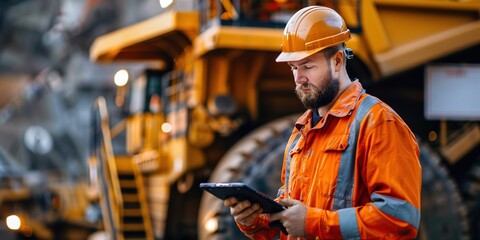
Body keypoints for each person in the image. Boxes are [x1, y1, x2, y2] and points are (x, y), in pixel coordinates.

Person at [224, 5, 422, 239]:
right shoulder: (302, 130)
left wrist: (312, 222)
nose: (299, 78)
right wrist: (257, 221)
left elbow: (398, 220)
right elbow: (295, 211)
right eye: (293, 67)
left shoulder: (379, 123)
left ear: (337, 61)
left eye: (307, 66)